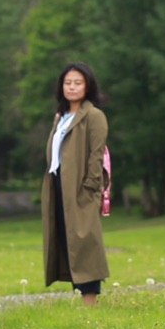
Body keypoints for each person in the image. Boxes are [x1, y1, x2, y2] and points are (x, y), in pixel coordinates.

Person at [41, 63, 110, 303]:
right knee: (67, 240)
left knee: (85, 244)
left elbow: (96, 155)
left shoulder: (94, 116)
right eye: (68, 83)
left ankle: (90, 305)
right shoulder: (61, 117)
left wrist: (90, 187)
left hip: (81, 190)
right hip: (59, 187)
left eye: (77, 83)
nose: (72, 87)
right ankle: (80, 301)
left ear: (88, 86)